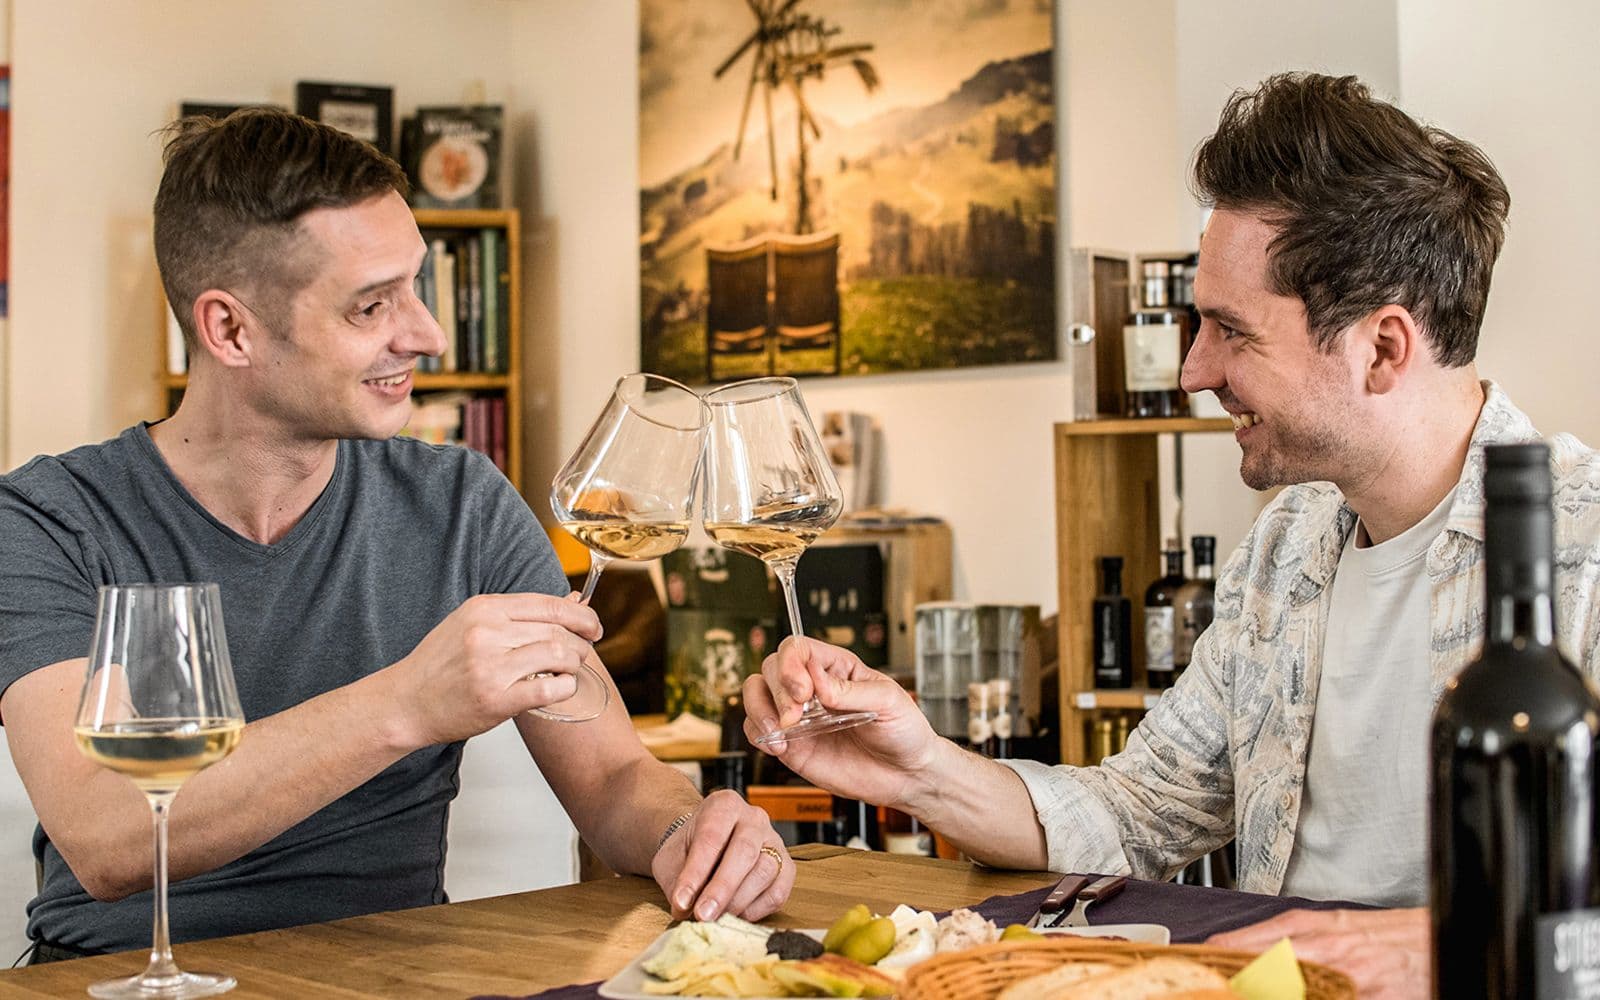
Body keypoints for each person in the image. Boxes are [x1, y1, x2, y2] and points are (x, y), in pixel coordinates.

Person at [744, 73, 1600, 999]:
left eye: (1231, 331)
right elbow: (1140, 811)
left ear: (1383, 347)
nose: (1193, 369)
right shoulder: (1288, 548)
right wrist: (916, 767)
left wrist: (1445, 947)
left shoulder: (1586, 553)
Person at [0, 109, 789, 964]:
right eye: (371, 305)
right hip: (119, 984)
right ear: (230, 329)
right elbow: (108, 836)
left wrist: (690, 828)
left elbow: (609, 778)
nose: (426, 336)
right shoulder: (50, 519)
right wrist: (408, 702)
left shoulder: (462, 505)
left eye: (417, 287)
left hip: (390, 980)